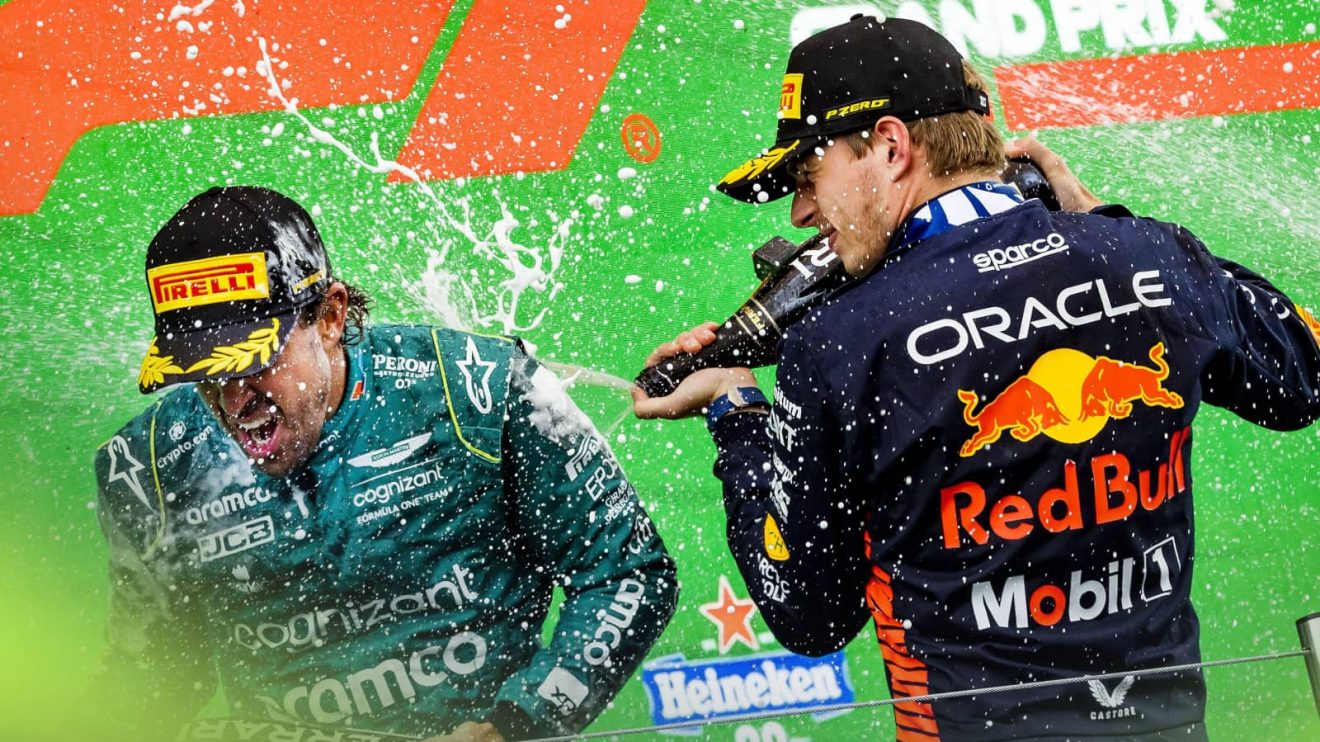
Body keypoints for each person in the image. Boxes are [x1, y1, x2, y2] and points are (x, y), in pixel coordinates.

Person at [633, 14, 1320, 741]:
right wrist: (1099, 218)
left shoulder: (837, 342)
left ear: (891, 147)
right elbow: (1301, 376)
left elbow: (808, 612)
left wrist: (737, 411)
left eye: (810, 174)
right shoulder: (1148, 258)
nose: (803, 210)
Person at [94, 185, 678, 742]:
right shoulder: (149, 464)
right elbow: (153, 680)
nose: (233, 401)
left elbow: (627, 572)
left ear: (329, 317)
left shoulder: (483, 387)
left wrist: (512, 727)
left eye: (253, 362)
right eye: (204, 375)